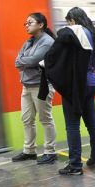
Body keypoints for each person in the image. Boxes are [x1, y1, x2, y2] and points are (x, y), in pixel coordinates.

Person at [40, 7, 95, 175]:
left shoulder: (74, 33)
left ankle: (75, 165)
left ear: (73, 21)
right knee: (92, 122)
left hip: (76, 85)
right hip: (92, 82)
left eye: (68, 21)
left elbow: (60, 57)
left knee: (72, 125)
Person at [12, 13, 57, 164]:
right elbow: (18, 60)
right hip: (27, 85)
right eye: (25, 23)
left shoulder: (47, 41)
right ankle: (29, 151)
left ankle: (50, 152)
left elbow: (33, 60)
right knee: (26, 119)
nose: (27, 25)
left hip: (41, 85)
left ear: (41, 24)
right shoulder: (29, 41)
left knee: (45, 119)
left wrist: (22, 61)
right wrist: (23, 61)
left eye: (30, 22)